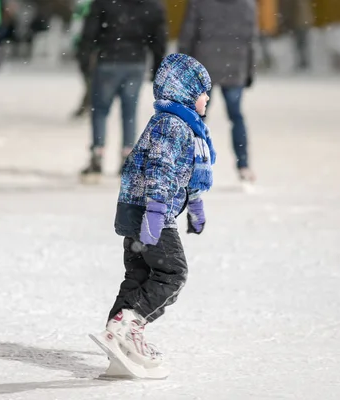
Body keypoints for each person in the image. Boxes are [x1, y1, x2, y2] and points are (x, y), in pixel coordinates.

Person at [92, 53, 215, 372]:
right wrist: (157, 214)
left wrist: (196, 205)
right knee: (173, 273)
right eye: (203, 91)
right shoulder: (173, 125)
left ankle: (115, 334)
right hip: (151, 213)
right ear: (185, 91)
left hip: (138, 211)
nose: (207, 98)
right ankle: (128, 325)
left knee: (138, 276)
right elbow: (160, 170)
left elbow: (184, 173)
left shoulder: (181, 125)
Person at [77, 0, 167, 183]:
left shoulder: (104, 2)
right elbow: (158, 37)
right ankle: (127, 155)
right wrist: (158, 64)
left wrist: (85, 58)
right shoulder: (151, 5)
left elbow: (89, 32)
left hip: (108, 59)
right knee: (129, 112)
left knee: (100, 110)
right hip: (135, 61)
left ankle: (97, 154)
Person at [178, 0, 257, 187]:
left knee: (197, 118)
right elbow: (251, 39)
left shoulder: (199, 3)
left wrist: (183, 66)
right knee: (236, 116)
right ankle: (243, 165)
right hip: (235, 67)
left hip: (205, 67)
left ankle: (191, 163)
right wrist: (250, 70)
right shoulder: (246, 5)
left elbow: (187, 35)